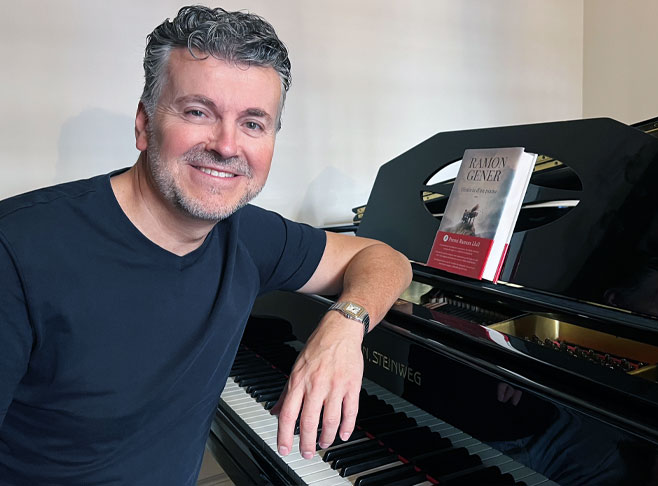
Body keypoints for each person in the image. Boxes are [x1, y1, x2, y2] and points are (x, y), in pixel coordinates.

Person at [0, 6, 411, 484]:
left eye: (253, 123)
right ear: (144, 124)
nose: (227, 146)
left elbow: (384, 258)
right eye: (198, 112)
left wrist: (345, 325)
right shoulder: (17, 251)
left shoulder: (248, 234)